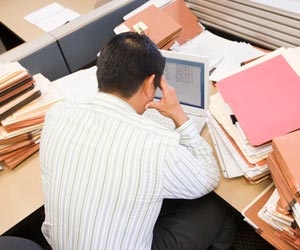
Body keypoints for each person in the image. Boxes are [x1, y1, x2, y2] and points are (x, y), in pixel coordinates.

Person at [40, 31, 236, 250]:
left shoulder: (57, 115)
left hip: (60, 245)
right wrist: (179, 115)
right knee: (217, 208)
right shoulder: (155, 144)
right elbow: (208, 178)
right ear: (149, 84)